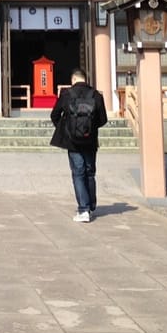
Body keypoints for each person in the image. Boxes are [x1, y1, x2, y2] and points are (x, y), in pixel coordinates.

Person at [50, 69, 109, 223]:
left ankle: (83, 209)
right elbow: (103, 119)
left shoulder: (66, 94)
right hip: (90, 141)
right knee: (89, 173)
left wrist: (67, 128)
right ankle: (90, 205)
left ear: (74, 79)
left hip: (72, 142)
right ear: (85, 79)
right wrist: (89, 128)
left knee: (78, 173)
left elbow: (54, 115)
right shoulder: (96, 95)